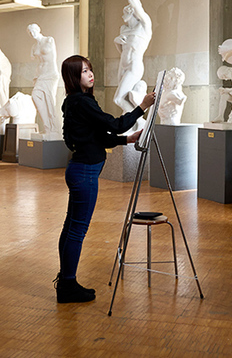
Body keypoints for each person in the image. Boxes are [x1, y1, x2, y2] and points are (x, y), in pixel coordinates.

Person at [56, 55, 155, 303]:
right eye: (83, 71)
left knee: (71, 228)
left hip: (80, 170)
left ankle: (66, 281)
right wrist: (142, 107)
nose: (90, 74)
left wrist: (126, 140)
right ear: (73, 77)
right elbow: (115, 124)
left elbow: (96, 136)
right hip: (84, 173)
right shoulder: (81, 102)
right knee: (77, 230)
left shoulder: (76, 102)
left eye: (90, 69)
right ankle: (67, 285)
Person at [113, 0, 152, 117]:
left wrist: (131, 2)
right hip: (123, 65)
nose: (123, 16)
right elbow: (122, 51)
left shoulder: (144, 26)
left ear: (133, 12)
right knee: (125, 98)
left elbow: (134, 1)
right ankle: (132, 122)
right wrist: (116, 42)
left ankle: (138, 120)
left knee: (118, 99)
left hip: (134, 66)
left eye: (125, 12)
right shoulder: (124, 29)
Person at [27, 24, 61, 139]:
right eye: (30, 32)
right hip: (40, 74)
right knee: (36, 96)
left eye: (33, 30)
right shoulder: (34, 46)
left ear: (38, 30)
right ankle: (47, 127)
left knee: (49, 100)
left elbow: (52, 56)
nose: (32, 33)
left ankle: (54, 128)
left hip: (50, 73)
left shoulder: (49, 40)